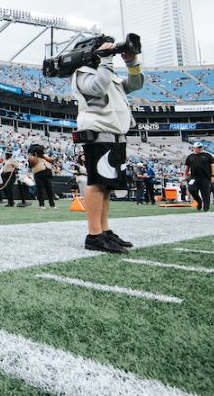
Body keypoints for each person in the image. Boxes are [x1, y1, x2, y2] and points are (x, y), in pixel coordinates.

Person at [70, 38, 144, 254]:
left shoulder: (107, 72)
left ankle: (104, 230)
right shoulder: (81, 72)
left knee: (107, 185)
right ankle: (94, 235)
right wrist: (106, 60)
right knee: (97, 182)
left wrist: (132, 62)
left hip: (114, 132)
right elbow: (98, 89)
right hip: (98, 130)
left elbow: (135, 84)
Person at [183, 141, 214, 213]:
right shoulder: (190, 157)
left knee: (205, 193)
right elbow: (186, 167)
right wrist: (184, 175)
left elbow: (213, 166)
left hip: (205, 178)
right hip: (194, 178)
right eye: (198, 147)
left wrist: (213, 176)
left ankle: (206, 209)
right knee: (191, 189)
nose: (200, 148)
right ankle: (199, 201)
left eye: (200, 147)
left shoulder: (207, 155)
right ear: (194, 148)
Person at [28, 144, 56, 209]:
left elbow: (52, 160)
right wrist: (36, 155)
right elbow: (32, 164)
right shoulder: (32, 157)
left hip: (47, 173)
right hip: (38, 174)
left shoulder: (44, 155)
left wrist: (43, 155)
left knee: (49, 190)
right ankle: (41, 205)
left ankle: (52, 204)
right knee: (40, 190)